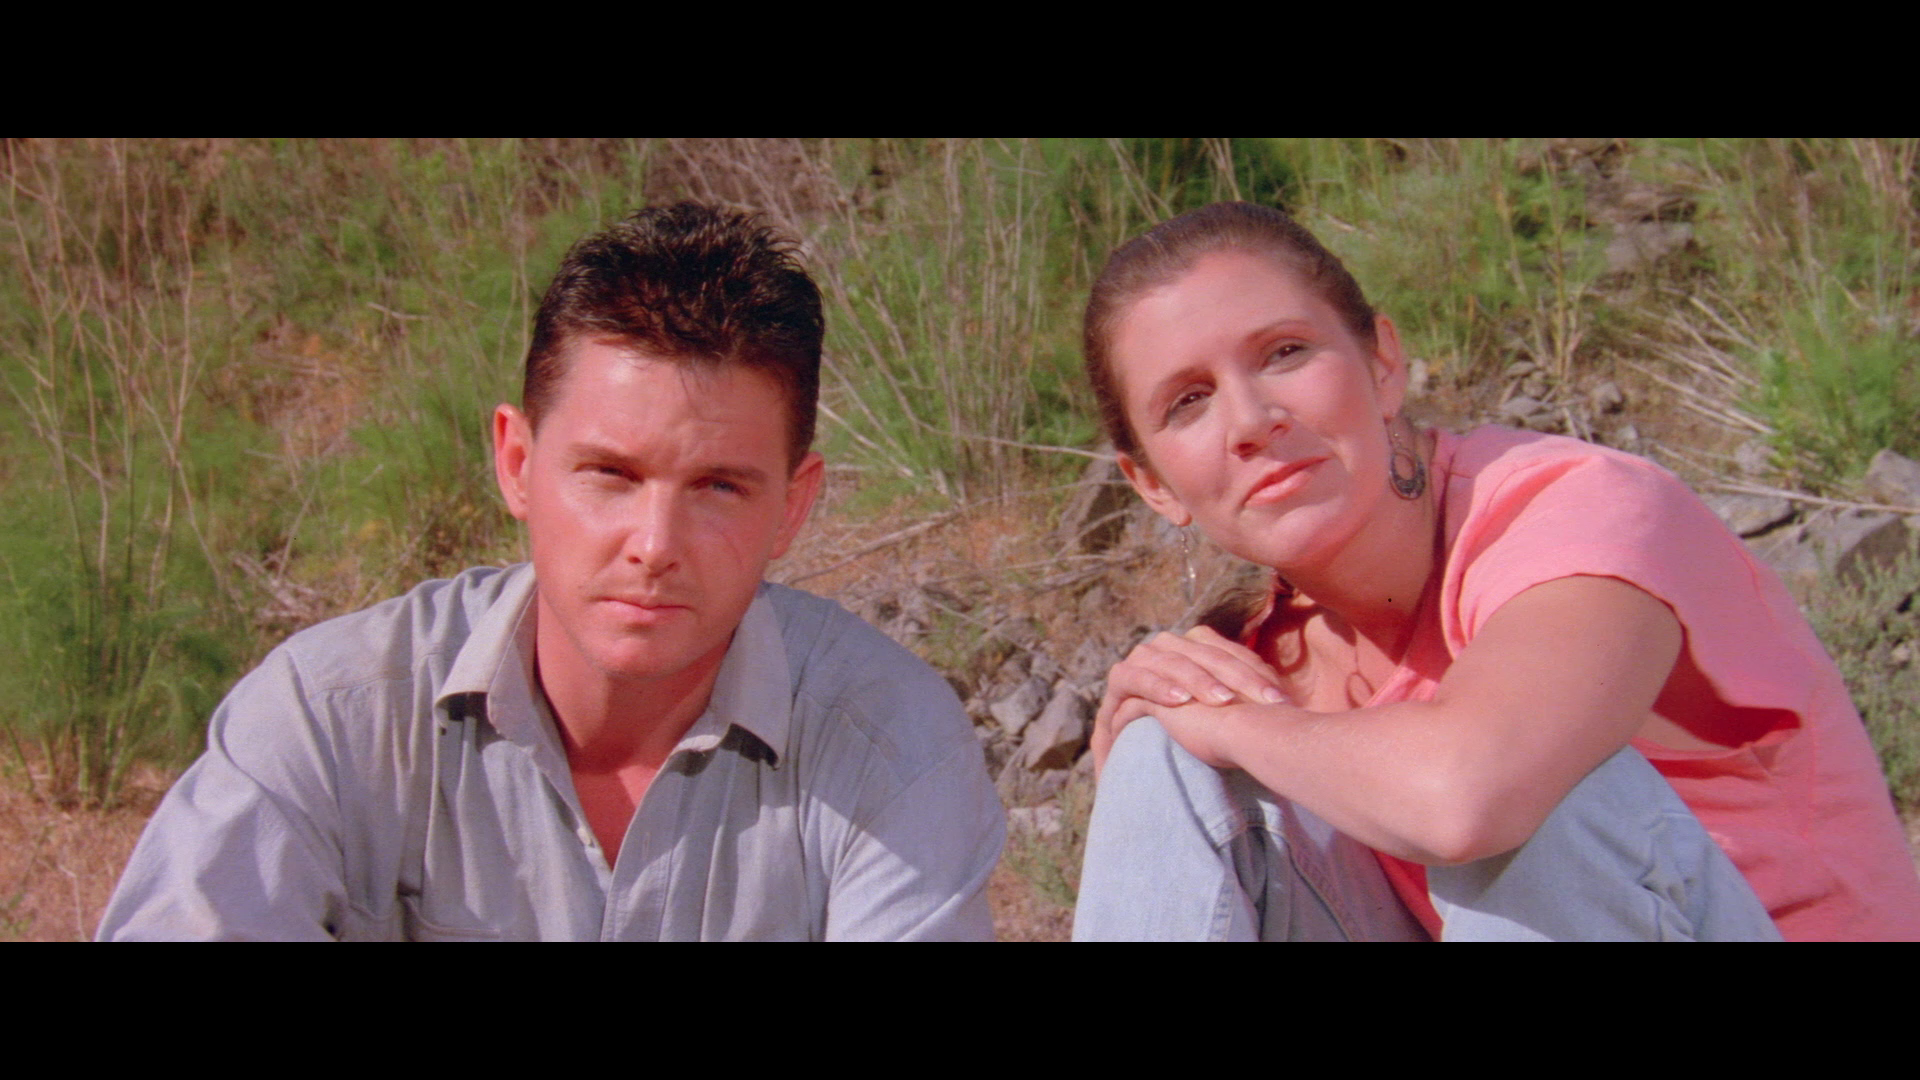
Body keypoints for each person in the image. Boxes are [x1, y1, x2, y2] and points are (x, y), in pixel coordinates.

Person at [98, 203, 1005, 941]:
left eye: (719, 486)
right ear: (517, 463)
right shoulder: (333, 716)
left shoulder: (890, 746)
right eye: (610, 474)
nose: (654, 544)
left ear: (794, 507)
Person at [1072, 201, 1920, 941]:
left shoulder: (1578, 508)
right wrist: (1161, 752)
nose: (1251, 420)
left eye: (1285, 352)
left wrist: (1228, 725)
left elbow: (1467, 798)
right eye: (1188, 401)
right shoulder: (1265, 654)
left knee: (1537, 795)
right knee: (1164, 758)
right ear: (1153, 484)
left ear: (1383, 365)